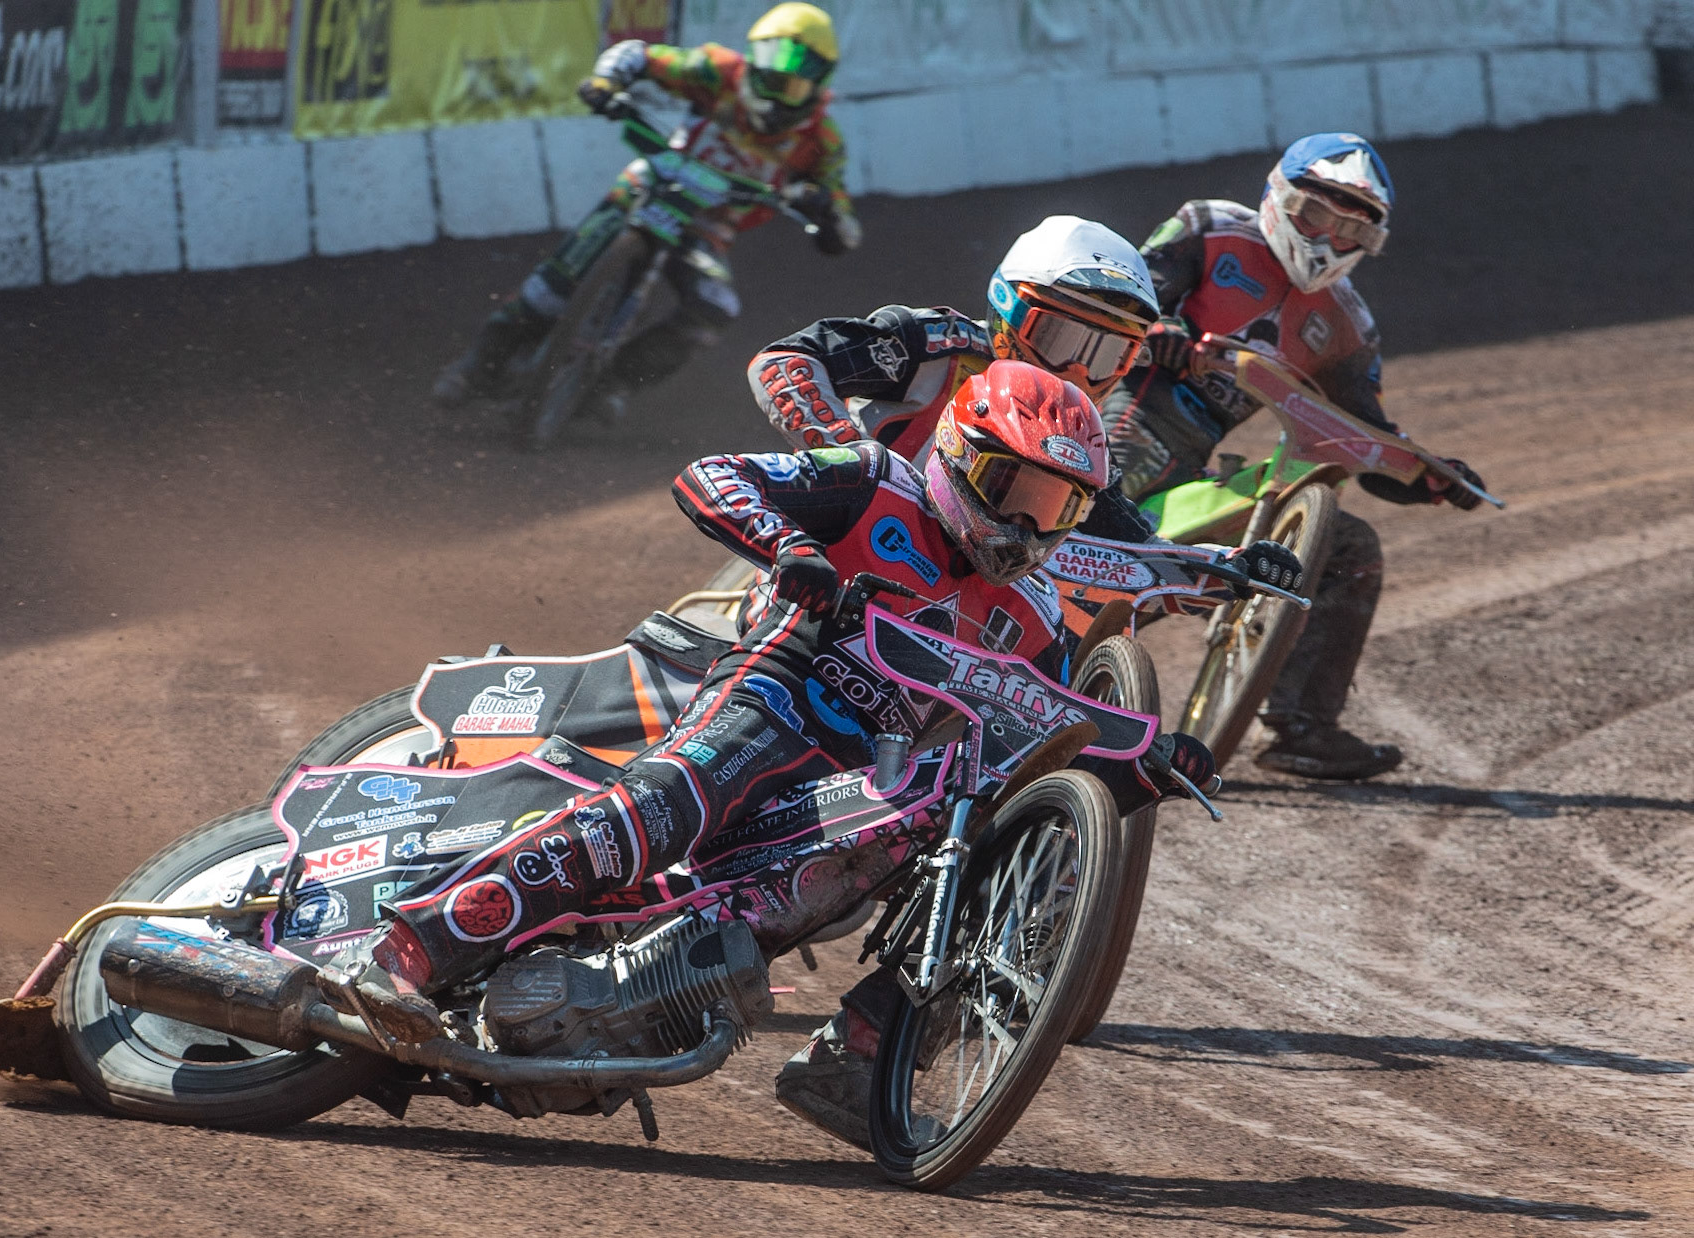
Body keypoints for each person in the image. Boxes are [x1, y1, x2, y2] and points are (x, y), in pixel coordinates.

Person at [359, 362, 1302, 1149]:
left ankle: (855, 1058)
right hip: (780, 689)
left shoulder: (1037, 616)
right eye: (1015, 492)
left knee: (987, 880)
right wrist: (789, 549)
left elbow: (1042, 732)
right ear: (962, 459)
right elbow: (712, 474)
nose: (1028, 525)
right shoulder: (874, 480)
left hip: (869, 787)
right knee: (667, 807)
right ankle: (415, 946)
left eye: (1058, 506)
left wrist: (1145, 764)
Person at [1100, 132, 1488, 781]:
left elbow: (1361, 439)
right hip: (1113, 418)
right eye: (1315, 217)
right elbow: (1119, 298)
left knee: (1344, 543)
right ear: (1280, 200)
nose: (1328, 241)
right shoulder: (1209, 228)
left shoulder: (1345, 325)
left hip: (1192, 463)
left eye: (1349, 232)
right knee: (1106, 493)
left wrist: (1432, 478)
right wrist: (1155, 329)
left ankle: (1302, 727)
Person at [433, 3, 861, 417]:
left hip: (706, 225)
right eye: (769, 73)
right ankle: (476, 367)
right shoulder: (717, 70)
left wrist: (827, 214)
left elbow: (841, 212)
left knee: (716, 307)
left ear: (819, 82)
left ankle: (612, 384)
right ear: (751, 58)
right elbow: (637, 54)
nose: (777, 89)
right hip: (650, 185)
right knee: (550, 287)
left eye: (793, 84)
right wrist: (605, 82)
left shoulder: (822, 140)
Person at [749, 214, 1158, 459]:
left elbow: (1119, 539)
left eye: (1108, 355)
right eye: (1062, 339)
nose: (1076, 370)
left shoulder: (1081, 434)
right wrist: (851, 459)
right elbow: (785, 360)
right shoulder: (939, 346)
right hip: (843, 556)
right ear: (1009, 309)